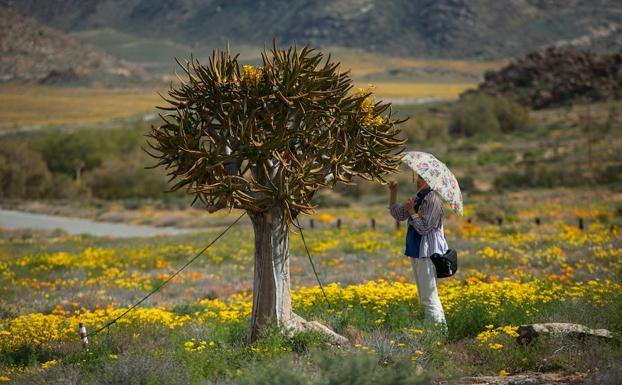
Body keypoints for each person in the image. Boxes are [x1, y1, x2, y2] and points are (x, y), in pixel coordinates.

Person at [388, 174, 448, 329]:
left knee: (428, 297)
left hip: (428, 253)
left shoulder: (433, 201)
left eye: (422, 178)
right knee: (426, 296)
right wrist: (393, 192)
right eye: (418, 177)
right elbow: (399, 215)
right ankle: (440, 330)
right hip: (417, 251)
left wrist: (412, 211)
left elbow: (424, 228)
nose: (418, 181)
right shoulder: (419, 197)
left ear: (431, 181)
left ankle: (435, 334)